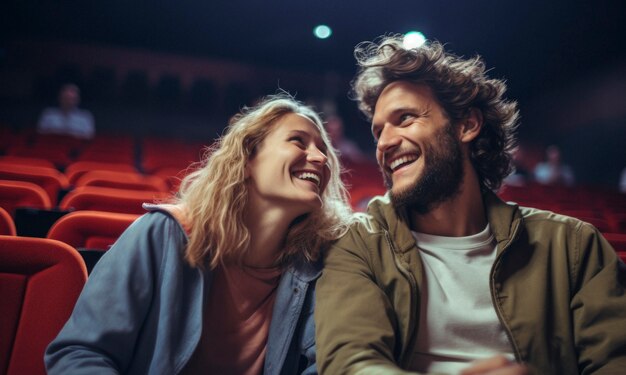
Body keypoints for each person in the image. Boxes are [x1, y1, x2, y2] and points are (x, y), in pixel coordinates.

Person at [315, 35, 626, 374]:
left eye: (404, 118)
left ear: (467, 125)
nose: (386, 143)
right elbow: (351, 364)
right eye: (378, 132)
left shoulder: (574, 247)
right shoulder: (359, 243)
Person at [45, 94, 353, 374]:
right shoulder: (162, 234)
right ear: (247, 160)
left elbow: (328, 366)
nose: (321, 157)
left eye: (323, 149)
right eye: (299, 141)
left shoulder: (319, 265)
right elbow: (80, 353)